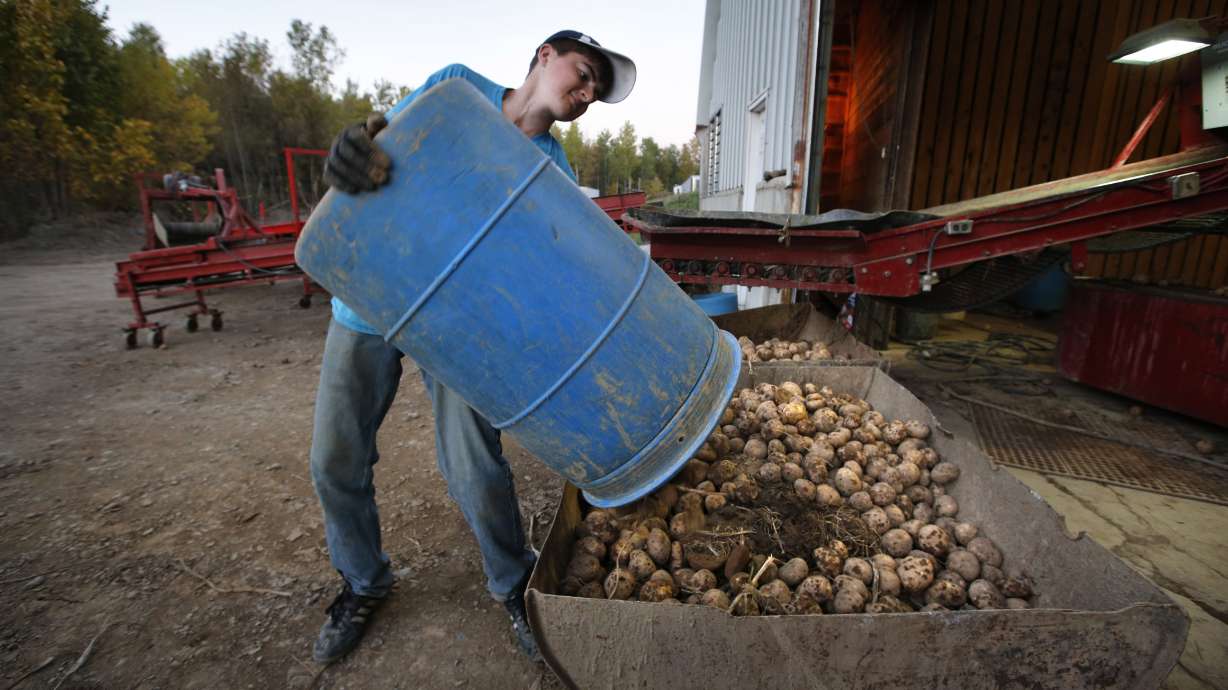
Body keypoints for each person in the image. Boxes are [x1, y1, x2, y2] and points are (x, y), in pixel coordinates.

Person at [308, 30, 636, 665]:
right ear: (545, 56)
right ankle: (362, 581)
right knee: (334, 459)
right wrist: (353, 147)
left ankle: (514, 585)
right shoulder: (454, 91)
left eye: (598, 89)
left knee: (474, 465)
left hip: (460, 329)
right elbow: (381, 146)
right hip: (375, 290)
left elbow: (550, 265)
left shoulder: (556, 172)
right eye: (584, 71)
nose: (589, 92)